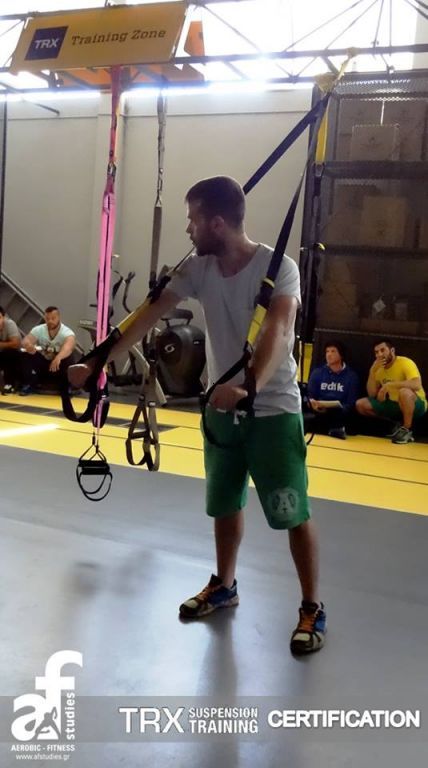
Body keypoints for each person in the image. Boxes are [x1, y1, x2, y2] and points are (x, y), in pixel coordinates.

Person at [69, 176, 326, 655]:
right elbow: (147, 315)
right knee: (224, 503)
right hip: (222, 410)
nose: (188, 229)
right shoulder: (200, 269)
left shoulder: (278, 268)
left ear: (217, 223)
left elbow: (278, 330)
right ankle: (225, 585)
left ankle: (312, 606)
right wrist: (98, 361)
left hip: (272, 410)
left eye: (193, 219)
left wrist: (248, 387)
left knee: (292, 511)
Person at [356, 338, 427, 444]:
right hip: (394, 403)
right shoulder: (378, 368)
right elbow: (372, 394)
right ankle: (394, 425)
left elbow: (416, 384)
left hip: (416, 403)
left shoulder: (405, 362)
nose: (379, 354)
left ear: (392, 350)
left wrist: (390, 385)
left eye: (382, 350)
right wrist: (372, 371)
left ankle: (406, 430)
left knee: (404, 392)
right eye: (376, 352)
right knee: (361, 404)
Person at [307, 341, 359, 439]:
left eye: (333, 351)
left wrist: (340, 409)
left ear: (341, 355)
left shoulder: (351, 376)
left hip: (340, 412)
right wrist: (314, 404)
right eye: (327, 351)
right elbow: (310, 395)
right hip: (319, 410)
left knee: (342, 415)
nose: (329, 354)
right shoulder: (317, 373)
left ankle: (337, 429)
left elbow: (351, 402)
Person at [20, 306, 76, 395]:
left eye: (53, 318)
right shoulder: (38, 329)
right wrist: (28, 345)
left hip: (58, 366)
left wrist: (58, 357)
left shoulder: (67, 332)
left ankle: (66, 386)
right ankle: (29, 383)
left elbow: (68, 347)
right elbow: (26, 340)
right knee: (26, 354)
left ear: (59, 317)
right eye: (47, 319)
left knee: (69, 356)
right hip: (44, 364)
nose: (50, 321)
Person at [0, 306, 21, 392]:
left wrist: (1, 345)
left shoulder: (10, 324)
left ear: (3, 317)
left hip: (15, 354)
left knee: (9, 353)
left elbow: (16, 344)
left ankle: (9, 384)